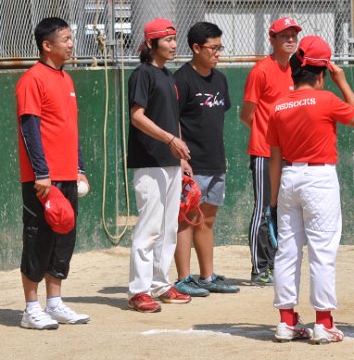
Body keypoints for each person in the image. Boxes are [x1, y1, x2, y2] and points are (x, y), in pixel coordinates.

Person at [268, 36, 354, 344]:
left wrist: (273, 198)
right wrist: (343, 81)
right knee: (322, 251)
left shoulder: (279, 105)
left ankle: (286, 321)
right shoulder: (326, 99)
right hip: (319, 178)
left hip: (289, 177)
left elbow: (274, 156)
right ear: (322, 74)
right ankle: (323, 322)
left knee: (287, 250)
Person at [15, 17, 91, 329]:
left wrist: (79, 168)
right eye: (66, 39)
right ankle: (31, 308)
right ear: (47, 45)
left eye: (71, 38)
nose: (71, 44)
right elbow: (29, 128)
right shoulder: (32, 79)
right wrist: (41, 173)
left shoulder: (66, 80)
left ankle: (54, 303)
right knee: (38, 239)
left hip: (67, 174)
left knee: (63, 238)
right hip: (43, 178)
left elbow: (71, 129)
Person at [127, 18, 193, 313]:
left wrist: (181, 156)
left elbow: (172, 118)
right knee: (149, 227)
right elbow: (137, 116)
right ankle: (138, 291)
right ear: (151, 43)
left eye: (174, 39)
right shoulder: (142, 74)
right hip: (149, 161)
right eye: (167, 40)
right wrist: (169, 140)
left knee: (168, 228)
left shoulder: (168, 76)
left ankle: (160, 284)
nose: (173, 45)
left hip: (170, 162)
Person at [172, 22, 239, 297]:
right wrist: (180, 159)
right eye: (213, 48)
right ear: (196, 48)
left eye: (220, 47)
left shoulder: (220, 79)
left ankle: (206, 276)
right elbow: (172, 119)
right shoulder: (181, 79)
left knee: (207, 219)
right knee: (186, 219)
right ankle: (183, 278)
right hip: (191, 162)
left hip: (215, 160)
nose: (218, 53)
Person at [241, 17, 301, 287]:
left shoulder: (296, 70)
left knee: (282, 210)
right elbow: (247, 114)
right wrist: (265, 135)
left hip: (288, 154)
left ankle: (276, 264)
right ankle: (259, 268)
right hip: (264, 152)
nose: (290, 39)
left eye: (293, 35)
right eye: (284, 35)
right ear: (272, 39)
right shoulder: (261, 71)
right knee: (263, 209)